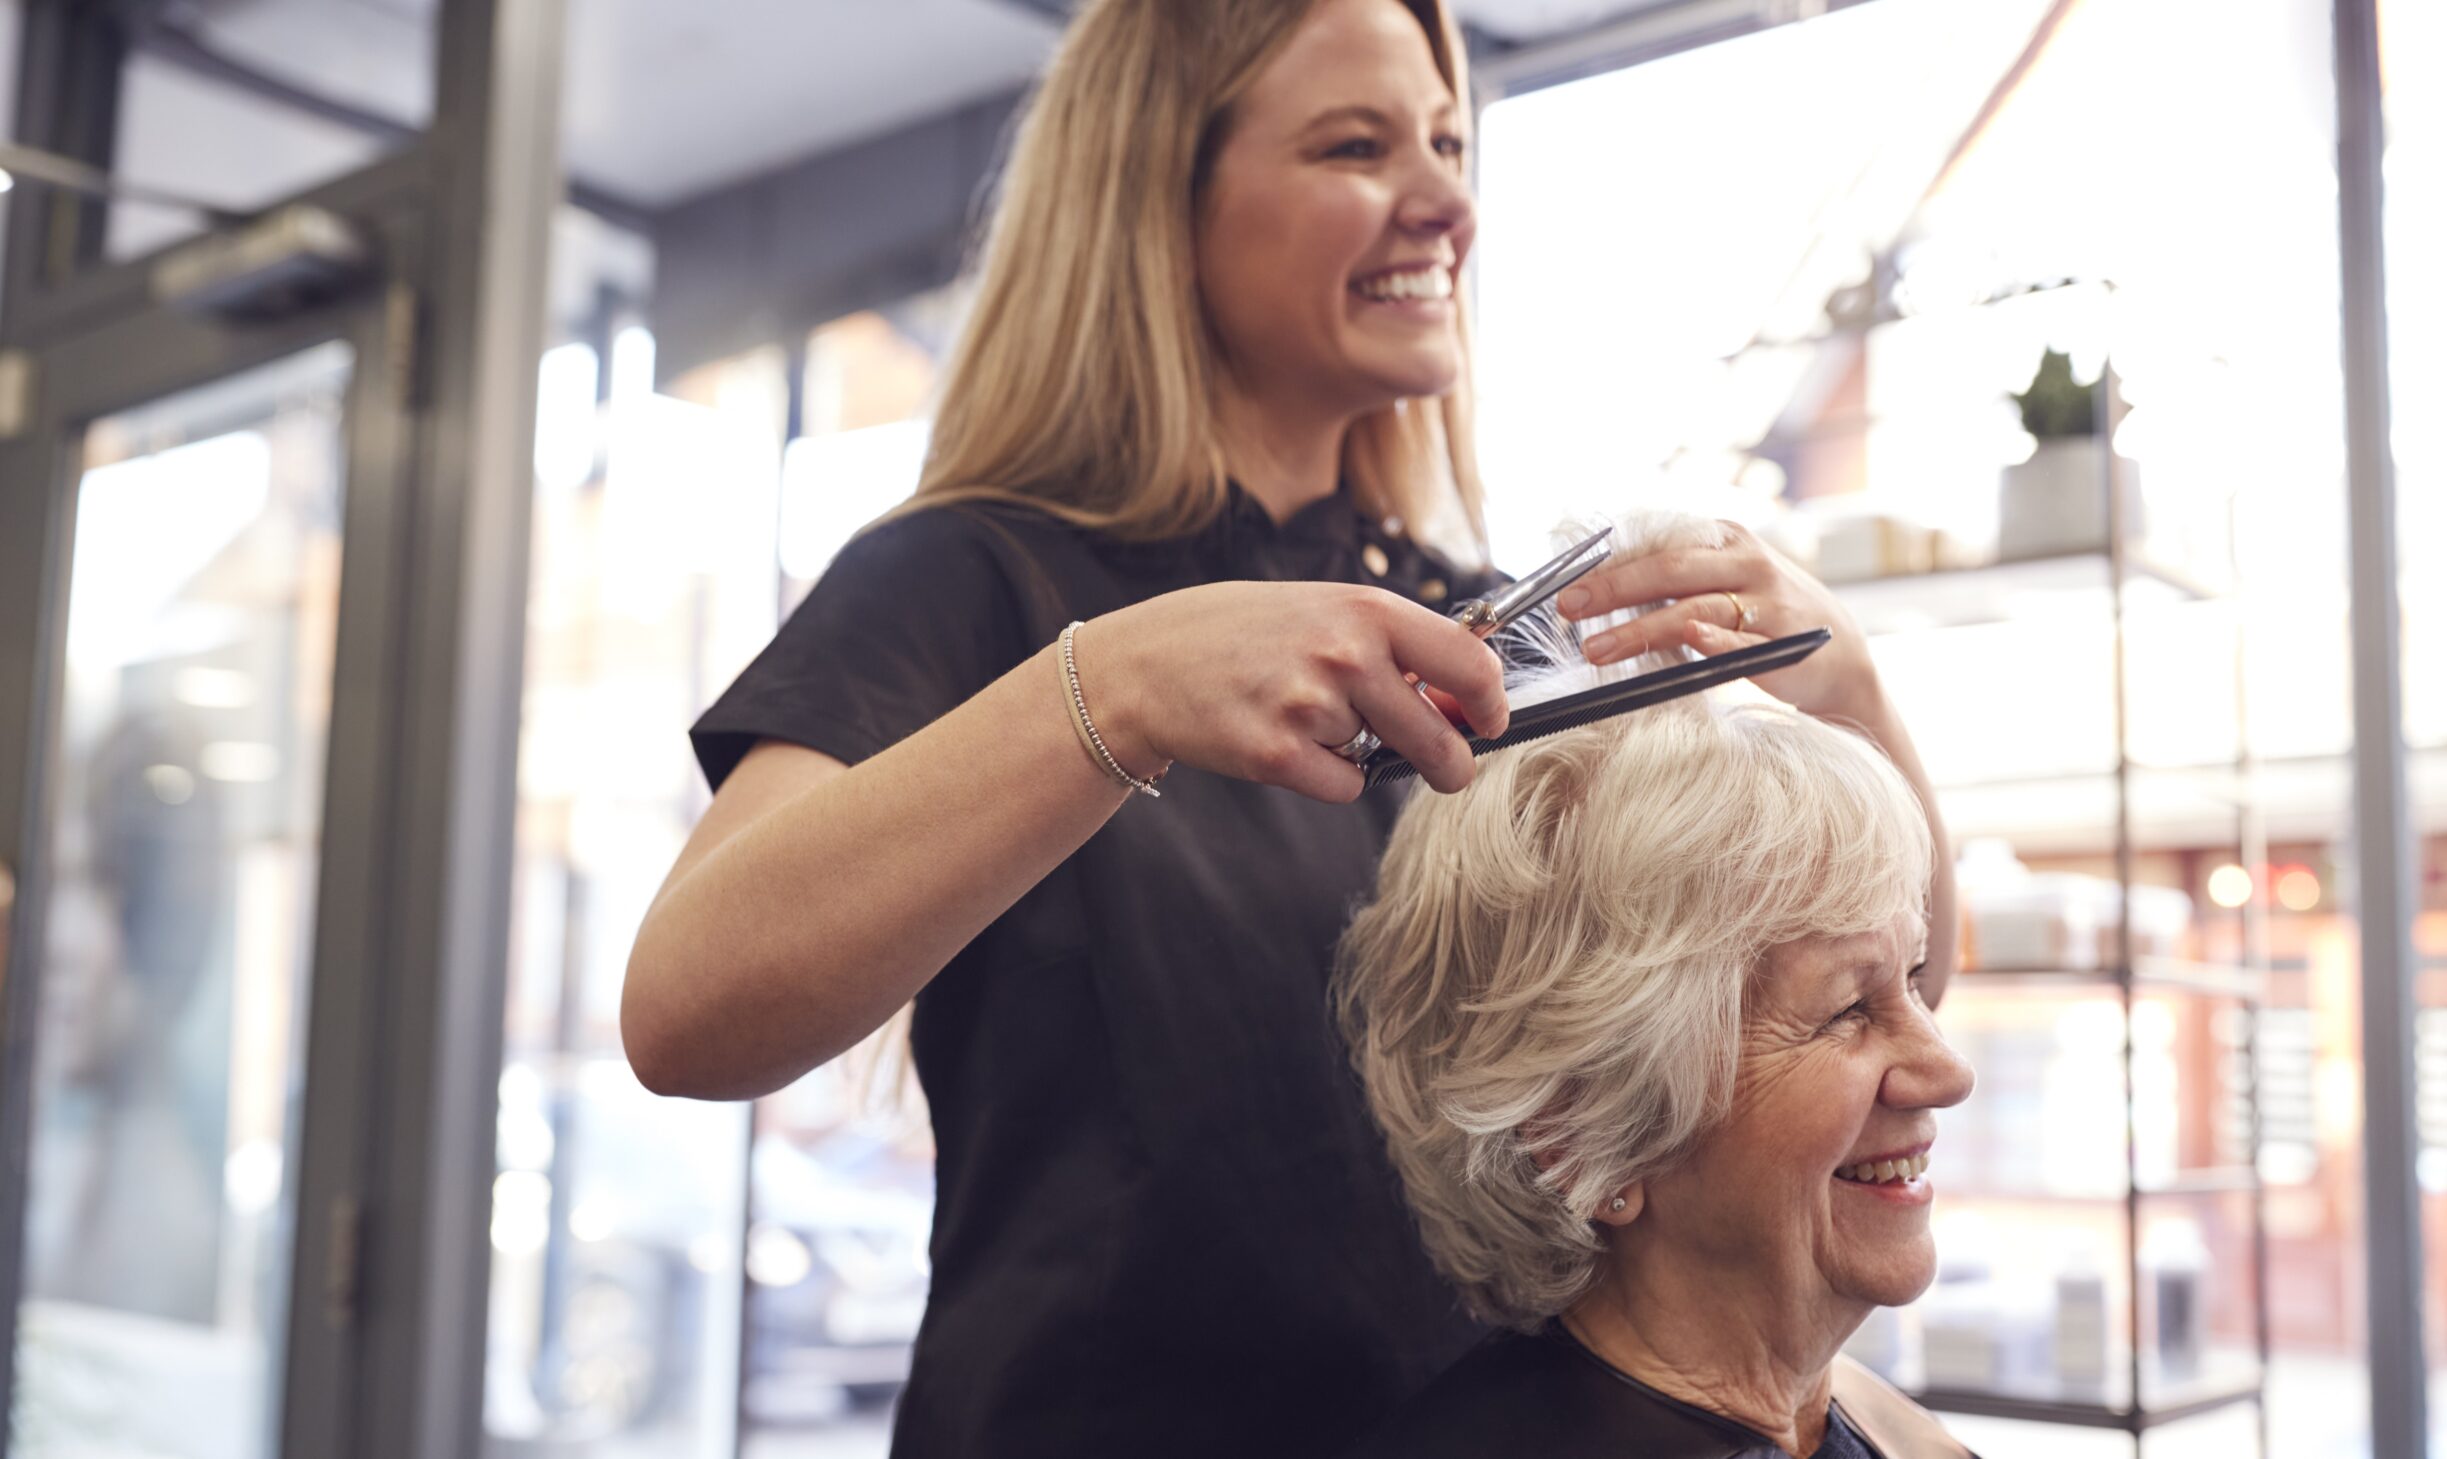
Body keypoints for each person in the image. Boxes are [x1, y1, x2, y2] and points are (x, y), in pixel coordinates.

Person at [620, 0, 1954, 1453]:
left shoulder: (1476, 625)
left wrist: (1850, 689)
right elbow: (689, 1009)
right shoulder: (971, 578)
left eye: (1447, 141)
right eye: (1357, 144)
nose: (1447, 198)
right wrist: (1113, 692)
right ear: (1160, 202)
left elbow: (1892, 1005)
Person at [1332, 629, 1979, 1459]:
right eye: (1848, 1009)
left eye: (1914, 975)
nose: (1946, 1070)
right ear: (1580, 1138)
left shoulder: (1882, 1430)